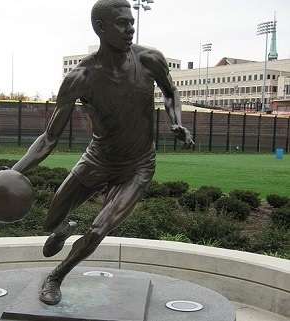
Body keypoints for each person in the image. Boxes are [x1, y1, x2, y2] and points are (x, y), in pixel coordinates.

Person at [12, 0, 194, 305]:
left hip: (137, 166)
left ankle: (56, 276)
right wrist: (13, 172)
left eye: (131, 22)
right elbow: (49, 137)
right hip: (97, 160)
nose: (130, 28)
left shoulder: (150, 59)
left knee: (98, 229)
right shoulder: (80, 78)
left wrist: (176, 122)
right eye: (122, 23)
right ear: (101, 27)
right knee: (51, 220)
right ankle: (63, 228)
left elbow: (170, 90)